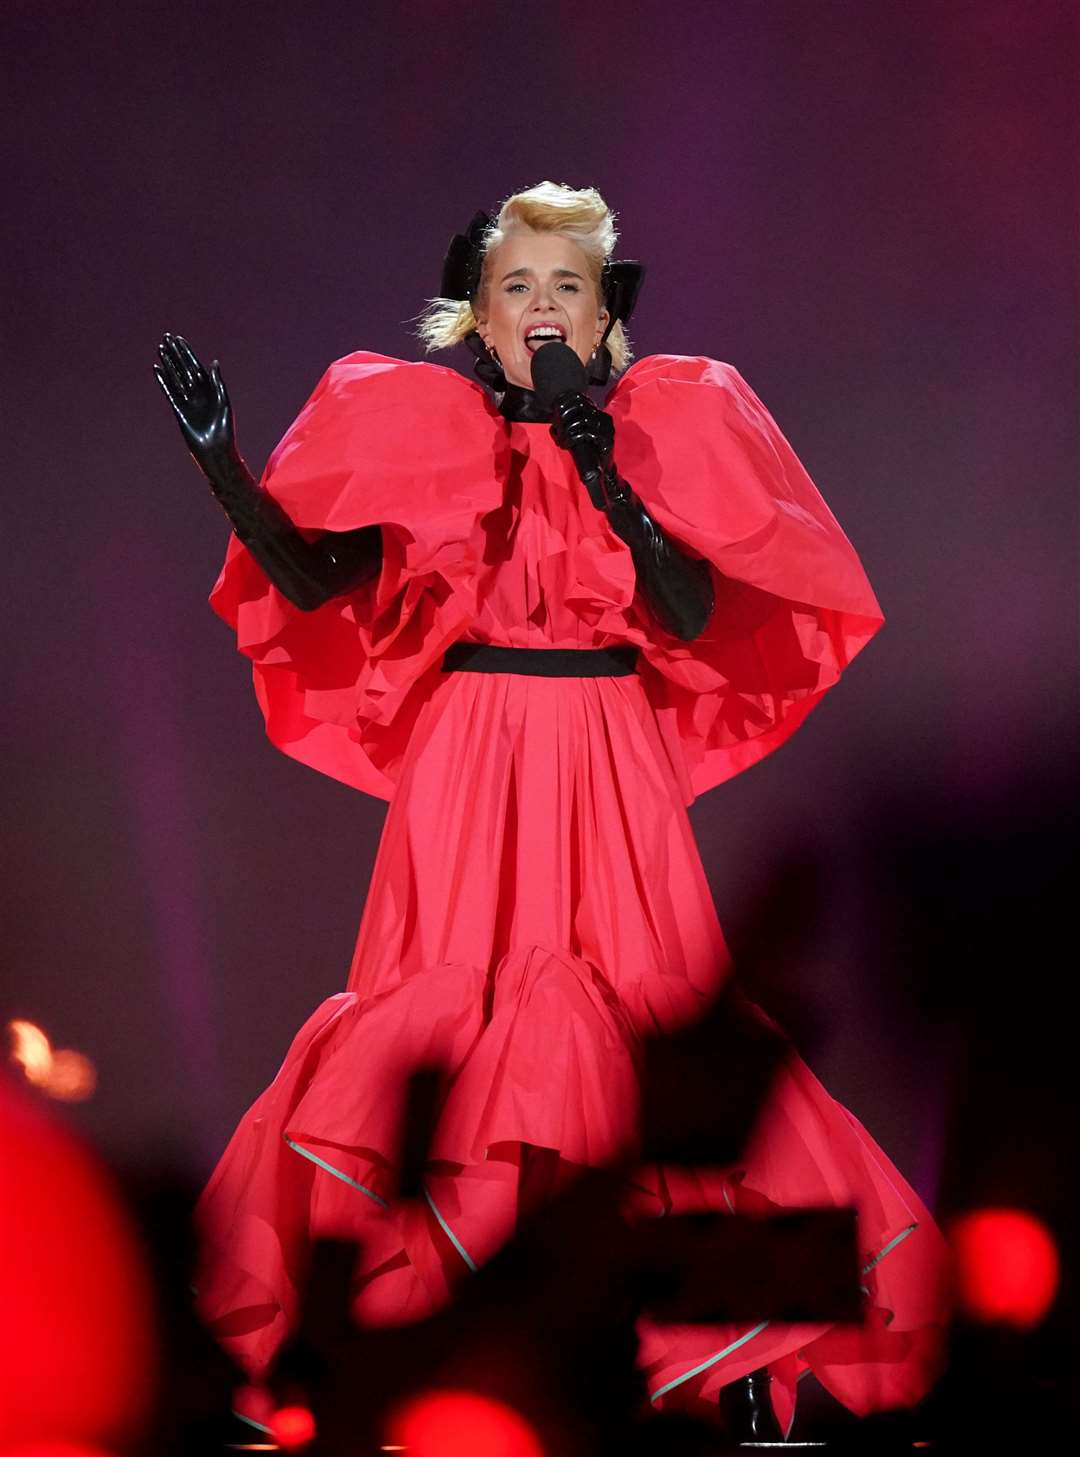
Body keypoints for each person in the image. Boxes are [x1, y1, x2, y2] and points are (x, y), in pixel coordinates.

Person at [154, 181, 948, 1438]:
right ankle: (424, 1343)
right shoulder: (422, 439)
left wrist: (598, 459)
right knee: (451, 1024)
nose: (541, 306)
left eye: (565, 285)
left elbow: (687, 612)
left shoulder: (658, 427)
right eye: (516, 284)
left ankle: (731, 1356)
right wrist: (225, 470)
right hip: (470, 761)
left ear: (604, 311)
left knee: (644, 1020)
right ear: (475, 310)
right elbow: (315, 576)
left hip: (604, 750)